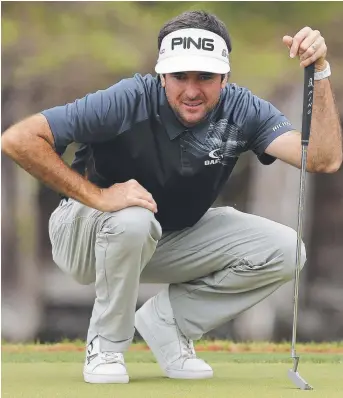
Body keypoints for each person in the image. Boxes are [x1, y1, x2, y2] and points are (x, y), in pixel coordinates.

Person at [2, 10, 342, 384]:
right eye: (180, 76)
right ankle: (106, 346)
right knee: (133, 217)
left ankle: (168, 323)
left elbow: (323, 159)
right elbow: (19, 139)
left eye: (206, 77)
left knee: (286, 249)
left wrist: (320, 71)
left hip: (162, 237)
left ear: (225, 77)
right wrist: (98, 196)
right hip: (84, 235)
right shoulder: (127, 99)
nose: (192, 90)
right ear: (162, 74)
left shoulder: (243, 110)